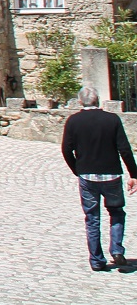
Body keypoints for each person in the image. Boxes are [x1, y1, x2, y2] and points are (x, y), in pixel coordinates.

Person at [62, 86, 137, 271]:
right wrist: (134, 174)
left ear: (80, 102)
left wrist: (77, 169)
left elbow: (66, 149)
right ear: (99, 100)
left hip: (87, 176)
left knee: (92, 217)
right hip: (111, 175)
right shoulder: (112, 120)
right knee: (117, 212)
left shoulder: (73, 121)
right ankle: (117, 250)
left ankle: (97, 260)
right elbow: (125, 149)